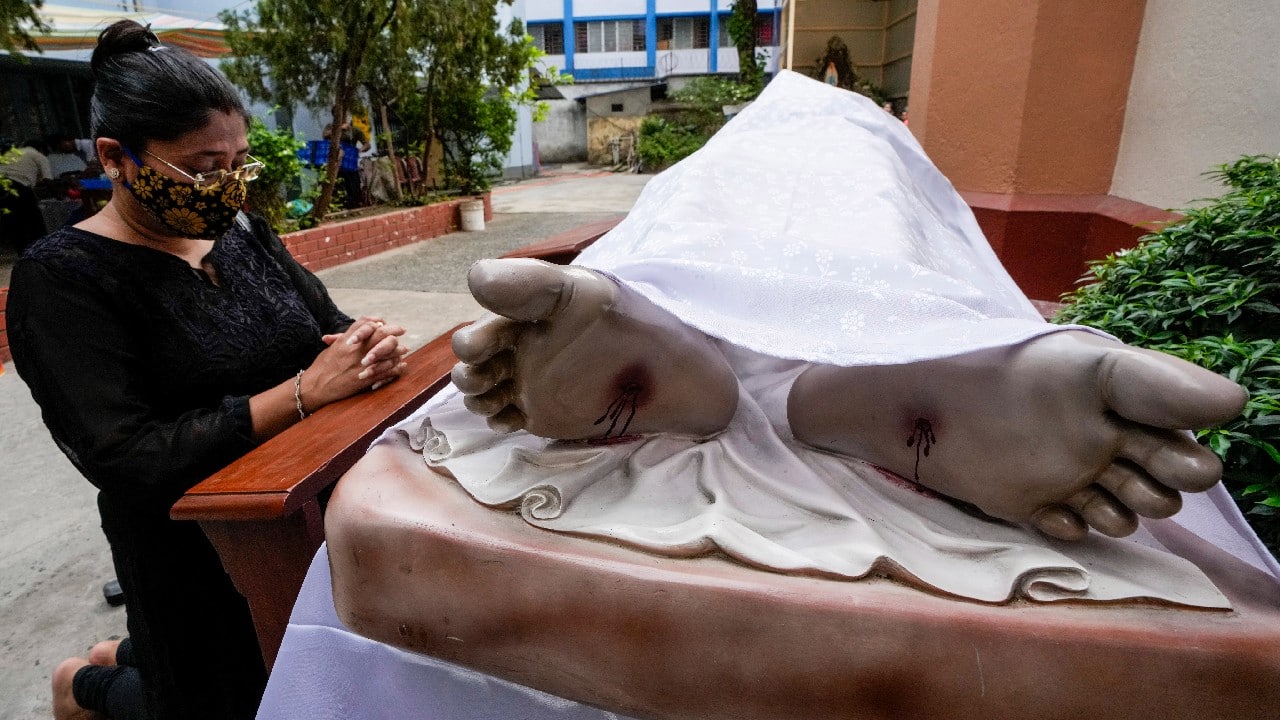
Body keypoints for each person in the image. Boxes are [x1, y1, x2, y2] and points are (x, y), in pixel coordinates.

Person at [417, 70, 1270, 605]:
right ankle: (889, 364)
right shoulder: (884, 133)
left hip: (713, 220)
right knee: (886, 223)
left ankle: (653, 309)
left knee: (690, 227)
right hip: (873, 210)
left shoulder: (737, 140)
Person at [6, 20, 409, 720]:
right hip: (185, 548)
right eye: (201, 168)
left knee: (302, 673)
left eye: (238, 162)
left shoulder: (243, 233)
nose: (226, 186)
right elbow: (125, 454)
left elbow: (324, 326)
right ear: (115, 157)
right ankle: (82, 686)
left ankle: (120, 657)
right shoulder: (65, 280)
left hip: (299, 510)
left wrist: (361, 346)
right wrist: (303, 395)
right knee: (216, 696)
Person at [0, 138, 54, 252]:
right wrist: (57, 194)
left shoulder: (12, 153)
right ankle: (40, 249)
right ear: (41, 149)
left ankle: (20, 249)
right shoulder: (38, 155)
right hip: (17, 185)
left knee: (12, 221)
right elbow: (48, 181)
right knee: (33, 219)